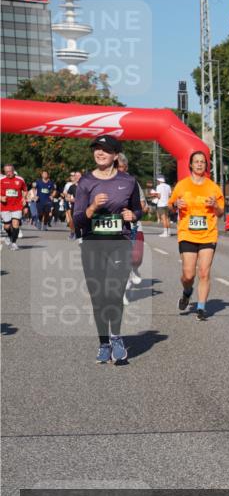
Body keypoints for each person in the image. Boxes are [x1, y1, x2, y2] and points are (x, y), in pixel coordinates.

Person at [72, 135, 142, 364]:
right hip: (92, 244)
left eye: (105, 150)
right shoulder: (86, 182)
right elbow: (77, 220)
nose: (99, 153)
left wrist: (133, 215)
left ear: (115, 155)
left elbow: (137, 210)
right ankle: (104, 343)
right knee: (98, 297)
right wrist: (92, 207)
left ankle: (117, 338)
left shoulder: (128, 181)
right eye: (96, 149)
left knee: (114, 293)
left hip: (120, 243)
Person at [168, 151, 225, 321]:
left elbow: (221, 212)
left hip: (208, 235)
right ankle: (187, 292)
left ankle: (201, 308)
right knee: (188, 275)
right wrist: (175, 204)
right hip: (187, 234)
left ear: (206, 166)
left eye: (202, 162)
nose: (199, 164)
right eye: (196, 162)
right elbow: (171, 206)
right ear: (191, 165)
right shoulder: (182, 185)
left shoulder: (213, 187)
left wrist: (215, 206)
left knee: (204, 272)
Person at [116, 154, 145, 305]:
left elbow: (142, 206)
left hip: (133, 225)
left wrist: (134, 213)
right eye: (116, 167)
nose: (119, 170)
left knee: (136, 258)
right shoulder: (104, 182)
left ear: (126, 168)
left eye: (121, 167)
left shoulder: (132, 183)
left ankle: (134, 270)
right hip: (113, 227)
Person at [1, 164, 28, 250]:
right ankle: (9, 236)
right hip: (5, 206)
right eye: (6, 172)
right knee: (7, 226)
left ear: (13, 170)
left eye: (10, 171)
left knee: (15, 223)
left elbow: (25, 190)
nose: (8, 173)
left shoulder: (20, 180)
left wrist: (24, 198)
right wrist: (1, 198)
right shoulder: (1, 180)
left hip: (17, 205)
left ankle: (14, 243)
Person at [63, 171, 81, 241]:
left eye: (79, 176)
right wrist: (71, 199)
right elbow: (67, 197)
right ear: (75, 177)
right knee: (73, 221)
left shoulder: (85, 186)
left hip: (83, 206)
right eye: (76, 176)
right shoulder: (71, 187)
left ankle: (80, 235)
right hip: (74, 206)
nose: (78, 177)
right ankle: (74, 234)